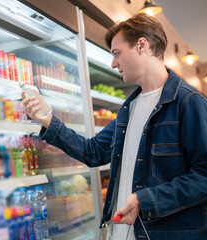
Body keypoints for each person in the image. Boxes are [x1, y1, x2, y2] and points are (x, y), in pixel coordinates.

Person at [22, 13, 207, 240]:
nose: (113, 63)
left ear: (141, 45)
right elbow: (94, 152)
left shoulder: (188, 103)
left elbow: (204, 175)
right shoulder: (129, 109)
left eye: (117, 54)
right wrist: (47, 119)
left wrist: (144, 200)